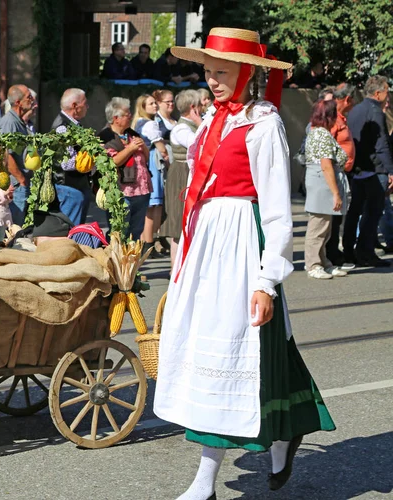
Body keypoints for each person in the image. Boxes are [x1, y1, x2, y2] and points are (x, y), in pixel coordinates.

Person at [154, 28, 335, 499]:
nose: (212, 81)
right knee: (237, 349)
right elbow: (196, 191)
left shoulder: (263, 121)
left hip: (241, 245)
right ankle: (282, 435)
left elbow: (277, 209)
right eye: (209, 71)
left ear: (245, 74)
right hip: (208, 245)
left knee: (239, 348)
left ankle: (205, 480)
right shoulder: (213, 118)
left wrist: (266, 279)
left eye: (221, 72)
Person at [343, 75, 393, 267]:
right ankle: (365, 252)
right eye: (386, 91)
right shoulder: (376, 112)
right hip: (373, 170)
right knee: (373, 213)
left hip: (358, 169)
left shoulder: (355, 110)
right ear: (378, 93)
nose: (387, 96)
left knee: (355, 211)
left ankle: (350, 250)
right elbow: (381, 145)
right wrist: (390, 170)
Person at [304, 99, 349, 279]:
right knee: (318, 227)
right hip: (322, 184)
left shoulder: (319, 132)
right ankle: (313, 264)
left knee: (325, 227)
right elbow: (326, 165)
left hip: (322, 183)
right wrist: (336, 193)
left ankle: (324, 262)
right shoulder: (320, 134)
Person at [98, 98, 151, 241]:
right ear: (116, 118)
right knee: (119, 230)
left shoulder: (132, 133)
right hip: (121, 191)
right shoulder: (104, 137)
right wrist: (131, 149)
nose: (131, 116)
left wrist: (144, 148)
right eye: (127, 114)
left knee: (136, 231)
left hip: (141, 189)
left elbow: (145, 158)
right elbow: (112, 162)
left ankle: (130, 262)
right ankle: (116, 261)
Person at [160, 89, 203, 268]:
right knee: (178, 223)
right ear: (193, 107)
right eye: (200, 105)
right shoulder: (182, 128)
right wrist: (200, 122)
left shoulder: (189, 125)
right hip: (181, 174)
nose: (203, 107)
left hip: (190, 173)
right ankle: (175, 269)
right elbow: (199, 145)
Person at [131, 94, 171, 258]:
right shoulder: (149, 125)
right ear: (143, 107)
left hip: (149, 163)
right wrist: (168, 160)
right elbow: (160, 147)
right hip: (153, 163)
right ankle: (148, 242)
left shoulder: (140, 123)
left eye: (155, 103)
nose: (155, 106)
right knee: (153, 204)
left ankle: (147, 240)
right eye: (151, 104)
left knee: (154, 205)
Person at [325, 83, 356, 266]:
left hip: (342, 173)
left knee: (337, 217)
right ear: (347, 99)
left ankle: (334, 253)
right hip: (334, 174)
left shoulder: (341, 118)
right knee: (333, 218)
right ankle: (332, 255)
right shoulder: (332, 119)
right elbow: (327, 148)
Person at [50, 88, 91, 225]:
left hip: (77, 187)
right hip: (69, 188)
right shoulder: (62, 127)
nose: (87, 106)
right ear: (75, 106)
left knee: (77, 229)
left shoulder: (74, 125)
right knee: (70, 230)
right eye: (85, 103)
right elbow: (66, 163)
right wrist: (91, 156)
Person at [0, 84, 35, 226]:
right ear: (18, 102)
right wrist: (21, 180)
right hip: (16, 184)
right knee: (15, 228)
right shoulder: (10, 122)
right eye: (28, 97)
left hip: (21, 182)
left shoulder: (19, 121)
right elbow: (7, 155)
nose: (32, 99)